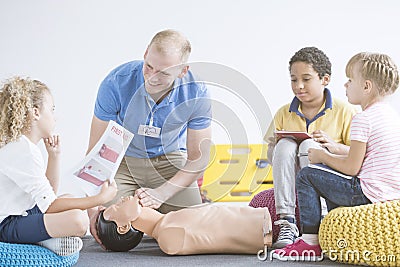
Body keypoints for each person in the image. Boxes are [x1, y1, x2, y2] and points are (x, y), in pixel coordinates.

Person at [86, 29, 212, 245]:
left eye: (164, 73)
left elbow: (198, 159)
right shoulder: (116, 82)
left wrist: (162, 194)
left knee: (195, 229)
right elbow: (95, 150)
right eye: (149, 66)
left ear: (182, 71)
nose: (152, 77)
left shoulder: (197, 92)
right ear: (145, 54)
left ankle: (165, 210)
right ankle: (155, 215)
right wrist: (92, 208)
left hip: (169, 159)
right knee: (112, 229)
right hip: (123, 162)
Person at [272, 52, 400, 261]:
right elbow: (365, 153)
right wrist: (334, 148)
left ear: (366, 87)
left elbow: (351, 168)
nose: (346, 86)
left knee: (307, 175)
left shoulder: (362, 119)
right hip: (389, 192)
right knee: (325, 175)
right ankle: (328, 228)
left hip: (366, 192)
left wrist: (323, 156)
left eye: (350, 80)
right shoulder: (390, 115)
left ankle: (310, 242)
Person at [0, 77, 117, 256]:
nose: (55, 117)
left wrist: (54, 156)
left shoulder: (25, 147)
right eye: (52, 109)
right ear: (36, 112)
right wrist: (99, 199)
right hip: (6, 224)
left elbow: (48, 198)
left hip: (23, 212)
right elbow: (51, 206)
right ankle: (42, 241)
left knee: (69, 200)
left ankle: (42, 236)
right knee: (79, 220)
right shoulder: (23, 151)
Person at [264, 47, 358, 248]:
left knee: (309, 145)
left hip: (329, 176)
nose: (299, 86)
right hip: (292, 175)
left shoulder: (345, 111)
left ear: (325, 79)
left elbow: (357, 154)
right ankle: (287, 221)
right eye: (293, 80)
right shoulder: (283, 112)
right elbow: (272, 157)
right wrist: (277, 146)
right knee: (284, 146)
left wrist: (331, 146)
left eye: (306, 79)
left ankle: (320, 215)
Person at [95, 195, 271, 255]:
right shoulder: (168, 237)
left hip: (262, 216)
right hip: (264, 228)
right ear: (123, 227)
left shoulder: (168, 222)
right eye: (117, 206)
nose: (121, 199)